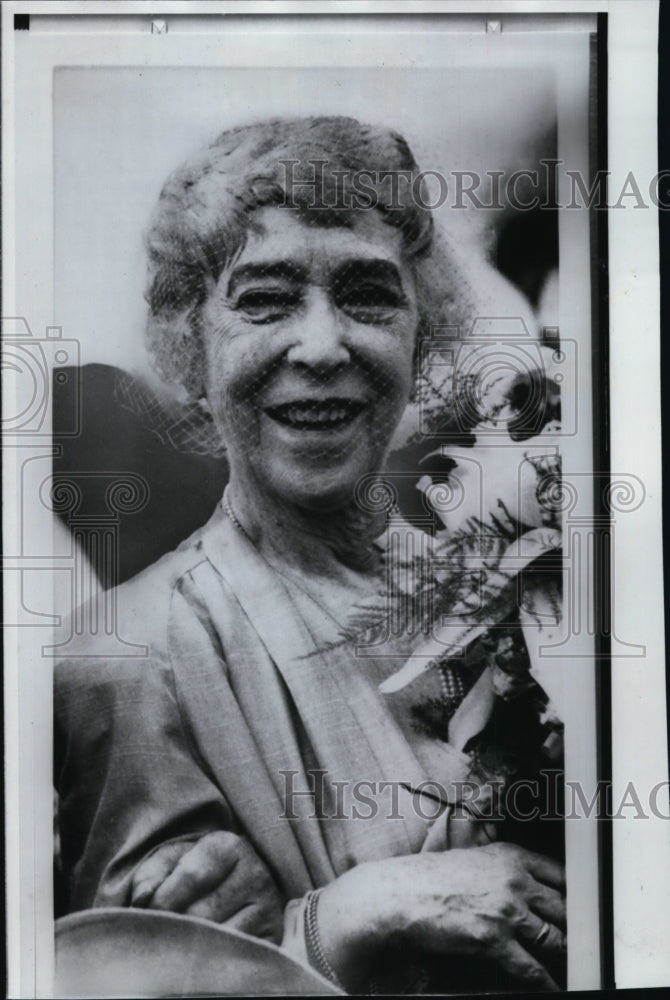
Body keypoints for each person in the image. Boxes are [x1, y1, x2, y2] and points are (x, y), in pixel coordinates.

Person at [55, 116, 565, 994]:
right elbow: (121, 980)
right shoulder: (128, 653)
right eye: (265, 298)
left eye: (369, 294)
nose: (324, 346)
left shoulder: (511, 587)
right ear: (191, 345)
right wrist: (345, 919)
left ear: (420, 335)